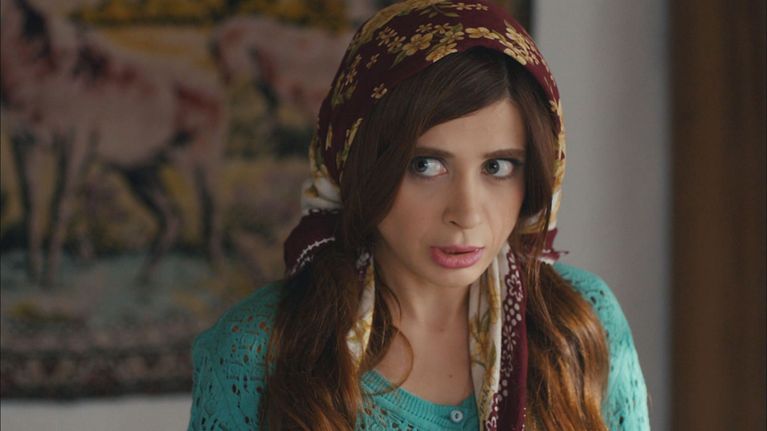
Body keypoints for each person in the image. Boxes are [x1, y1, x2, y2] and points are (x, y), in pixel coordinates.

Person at [187, 1, 650, 430]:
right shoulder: (256, 352)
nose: (466, 213)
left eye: (498, 167)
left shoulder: (582, 325)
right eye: (426, 165)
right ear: (357, 163)